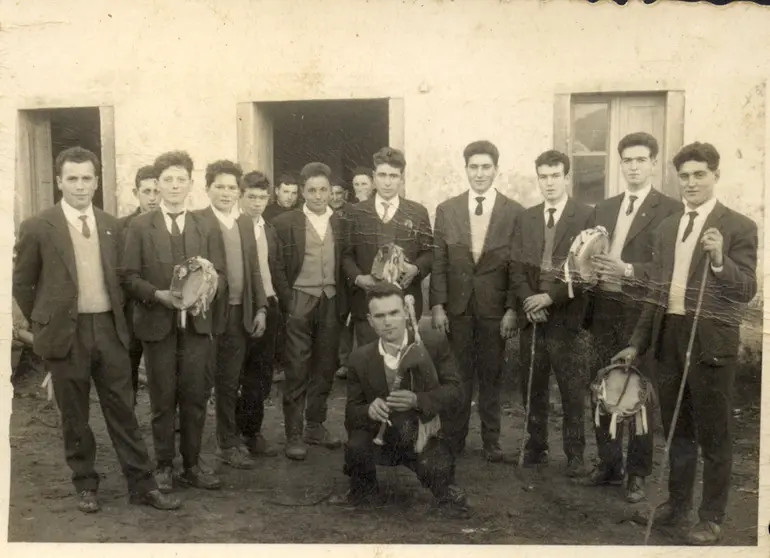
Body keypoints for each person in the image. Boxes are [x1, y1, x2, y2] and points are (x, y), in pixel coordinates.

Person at [13, 146, 180, 513]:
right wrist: (47, 323)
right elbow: (23, 284)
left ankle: (142, 484)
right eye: (72, 178)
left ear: (97, 181)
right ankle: (85, 484)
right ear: (59, 181)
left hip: (109, 329)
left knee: (123, 409)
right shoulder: (39, 226)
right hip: (66, 335)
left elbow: (121, 280)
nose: (79, 186)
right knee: (74, 415)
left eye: (87, 178)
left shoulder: (111, 225)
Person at [613, 142, 757, 546]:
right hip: (670, 338)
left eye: (700, 175)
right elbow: (656, 293)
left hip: (710, 343)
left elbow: (746, 289)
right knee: (677, 429)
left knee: (714, 434)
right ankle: (677, 506)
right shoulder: (667, 227)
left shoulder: (738, 226)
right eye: (685, 175)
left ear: (715, 176)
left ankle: (710, 517)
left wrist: (717, 260)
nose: (691, 182)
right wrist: (637, 344)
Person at [582, 132, 682, 502]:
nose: (634, 167)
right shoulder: (604, 208)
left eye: (641, 160)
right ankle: (610, 465)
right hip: (603, 309)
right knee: (601, 387)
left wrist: (626, 269)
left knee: (638, 391)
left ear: (654, 163)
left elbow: (664, 268)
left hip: (640, 313)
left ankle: (638, 473)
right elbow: (591, 255)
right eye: (628, 160)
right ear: (620, 164)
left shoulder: (669, 210)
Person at [122, 150, 226, 492]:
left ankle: (192, 465)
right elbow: (129, 276)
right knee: (163, 397)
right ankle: (164, 465)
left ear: (191, 184)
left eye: (181, 179)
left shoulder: (205, 225)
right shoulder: (139, 226)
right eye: (167, 180)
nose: (174, 185)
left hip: (196, 327)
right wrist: (158, 295)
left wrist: (206, 290)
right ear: (157, 185)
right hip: (157, 325)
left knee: (195, 396)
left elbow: (220, 274)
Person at [330, 282, 469, 517]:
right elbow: (351, 413)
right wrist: (368, 410)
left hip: (420, 430)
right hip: (381, 435)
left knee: (435, 465)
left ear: (405, 312)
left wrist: (417, 399)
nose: (388, 321)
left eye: (394, 313)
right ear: (370, 320)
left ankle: (445, 489)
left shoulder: (432, 343)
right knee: (355, 446)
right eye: (380, 315)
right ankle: (364, 492)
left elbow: (456, 393)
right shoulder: (359, 358)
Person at [430, 140, 522, 461]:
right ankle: (453, 438)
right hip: (457, 309)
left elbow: (517, 267)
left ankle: (491, 441)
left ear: (496, 170)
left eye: (486, 167)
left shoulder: (513, 212)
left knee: (491, 376)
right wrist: (438, 305)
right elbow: (439, 262)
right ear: (466, 169)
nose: (480, 173)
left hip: (494, 311)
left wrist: (512, 309)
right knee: (458, 375)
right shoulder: (447, 209)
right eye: (474, 167)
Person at [509, 149, 593, 475]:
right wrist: (530, 300)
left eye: (555, 175)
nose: (549, 183)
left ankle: (575, 455)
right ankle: (536, 446)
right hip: (533, 317)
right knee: (533, 387)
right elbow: (516, 266)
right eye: (543, 176)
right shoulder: (526, 217)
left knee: (572, 390)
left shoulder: (585, 216)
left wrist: (550, 298)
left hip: (566, 318)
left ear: (567, 177)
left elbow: (587, 272)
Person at [272, 162, 349, 460]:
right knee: (297, 367)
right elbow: (276, 266)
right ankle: (293, 433)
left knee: (325, 366)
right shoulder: (285, 223)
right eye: (312, 190)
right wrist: (288, 301)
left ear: (331, 191)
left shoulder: (341, 223)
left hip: (330, 300)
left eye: (323, 190)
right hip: (300, 300)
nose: (318, 196)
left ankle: (315, 425)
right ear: (302, 192)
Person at [195, 160, 268, 470]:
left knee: (229, 381)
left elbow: (254, 271)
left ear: (239, 191)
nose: (226, 193)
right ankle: (191, 449)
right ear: (208, 189)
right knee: (198, 381)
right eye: (219, 186)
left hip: (239, 315)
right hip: (206, 317)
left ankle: (228, 442)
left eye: (231, 187)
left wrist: (261, 307)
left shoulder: (245, 224)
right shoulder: (196, 221)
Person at [342, 147, 433, 346]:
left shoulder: (417, 212)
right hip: (366, 304)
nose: (388, 181)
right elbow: (345, 255)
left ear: (402, 178)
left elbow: (429, 254)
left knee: (403, 365)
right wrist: (358, 278)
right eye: (382, 175)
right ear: (374, 177)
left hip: (405, 303)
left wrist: (415, 269)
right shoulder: (356, 212)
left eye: (394, 175)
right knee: (370, 365)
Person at [236, 170, 288, 457]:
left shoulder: (268, 228)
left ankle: (251, 431)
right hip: (243, 306)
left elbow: (276, 268)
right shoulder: (234, 226)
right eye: (251, 197)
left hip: (269, 303)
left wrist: (281, 302)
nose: (257, 203)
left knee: (262, 373)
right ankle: (233, 432)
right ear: (242, 197)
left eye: (262, 197)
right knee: (238, 372)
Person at [117, 165, 160, 405]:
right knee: (128, 365)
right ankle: (129, 418)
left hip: (162, 307)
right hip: (131, 310)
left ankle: (168, 418)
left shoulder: (171, 224)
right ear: (136, 192)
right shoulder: (121, 227)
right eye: (147, 191)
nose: (153, 198)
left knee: (164, 369)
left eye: (157, 191)